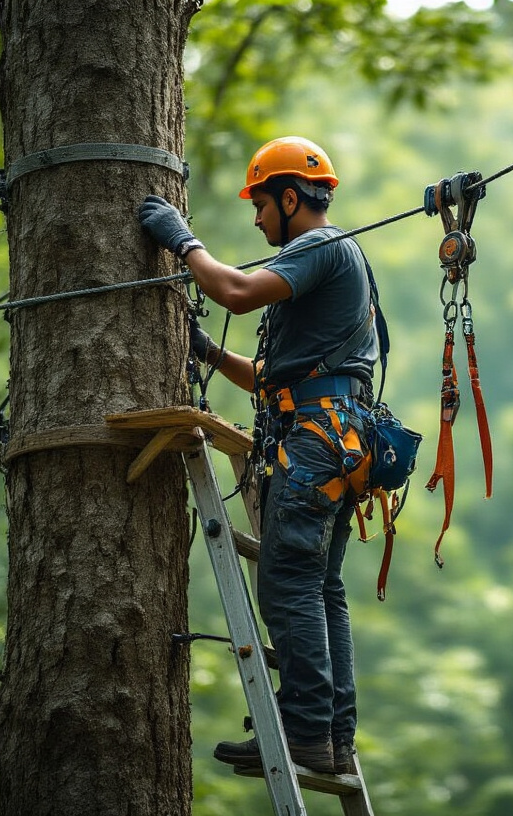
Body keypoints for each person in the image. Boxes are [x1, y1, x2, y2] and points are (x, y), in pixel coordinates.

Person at [138, 136, 377, 776]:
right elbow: (276, 377)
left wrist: (181, 240)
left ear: (290, 197)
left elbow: (237, 292)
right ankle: (331, 738)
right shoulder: (339, 259)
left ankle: (302, 732)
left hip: (316, 444)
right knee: (321, 589)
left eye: (261, 204)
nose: (256, 218)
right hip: (337, 439)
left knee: (289, 583)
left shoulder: (318, 246)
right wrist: (213, 356)